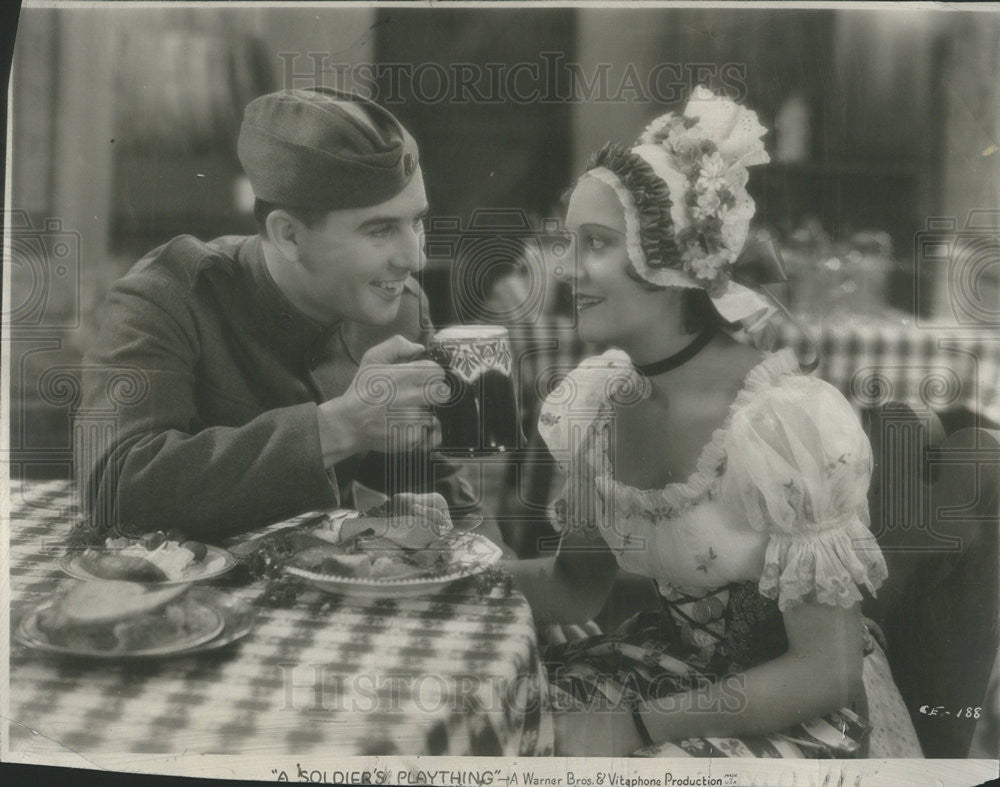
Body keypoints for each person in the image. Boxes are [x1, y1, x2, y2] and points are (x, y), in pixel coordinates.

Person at [510, 86, 922, 758]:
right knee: (509, 724)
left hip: (797, 713)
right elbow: (575, 585)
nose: (567, 269)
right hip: (672, 674)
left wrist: (634, 725)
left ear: (670, 262)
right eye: (569, 242)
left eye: (596, 245)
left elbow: (827, 670)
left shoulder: (782, 423)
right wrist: (453, 577)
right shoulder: (598, 404)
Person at [76, 87, 480, 540]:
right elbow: (113, 485)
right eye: (380, 230)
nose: (414, 258)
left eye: (417, 221)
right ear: (288, 235)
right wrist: (337, 427)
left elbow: (419, 466)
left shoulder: (401, 309)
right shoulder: (166, 296)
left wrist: (454, 530)